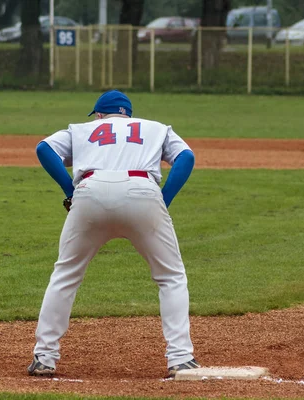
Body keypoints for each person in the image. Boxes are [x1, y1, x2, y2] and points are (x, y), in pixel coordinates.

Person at [28, 89, 200, 378]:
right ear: (128, 114)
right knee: (171, 277)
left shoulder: (82, 129)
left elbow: (44, 149)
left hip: (90, 192)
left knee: (66, 274)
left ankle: (45, 356)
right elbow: (186, 158)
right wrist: (163, 200)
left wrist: (70, 191)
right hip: (142, 189)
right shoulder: (156, 129)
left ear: (99, 114)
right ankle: (180, 358)